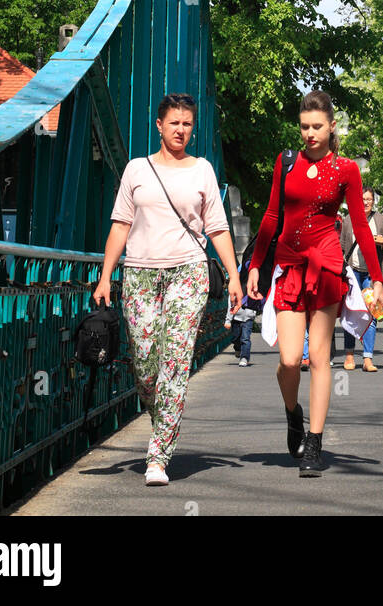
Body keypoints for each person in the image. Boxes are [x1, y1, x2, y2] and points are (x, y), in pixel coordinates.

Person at [93, 93, 242, 485]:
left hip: (188, 275)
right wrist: (106, 275)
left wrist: (234, 275)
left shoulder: (203, 170)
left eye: (187, 123)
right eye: (174, 122)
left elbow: (218, 228)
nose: (181, 129)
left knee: (174, 363)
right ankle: (165, 421)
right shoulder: (136, 170)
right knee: (145, 364)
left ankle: (158, 456)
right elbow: (120, 225)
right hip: (140, 274)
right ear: (158, 125)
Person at [246, 89, 383, 477]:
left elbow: (359, 224)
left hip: (325, 267)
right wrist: (256, 264)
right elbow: (272, 216)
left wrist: (377, 277)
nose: (309, 133)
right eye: (304, 126)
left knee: (320, 358)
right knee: (289, 360)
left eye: (317, 127)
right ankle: (294, 415)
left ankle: (315, 444)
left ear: (332, 126)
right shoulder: (285, 162)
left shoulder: (346, 170)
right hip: (289, 266)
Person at [339, 187, 383, 372]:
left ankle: (368, 358)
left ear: (373, 201)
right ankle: (348, 355)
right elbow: (341, 247)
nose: (366, 202)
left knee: (372, 313)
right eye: (362, 199)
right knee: (351, 312)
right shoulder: (348, 220)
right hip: (352, 272)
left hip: (372, 274)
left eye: (369, 199)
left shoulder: (381, 219)